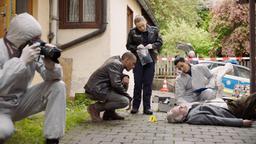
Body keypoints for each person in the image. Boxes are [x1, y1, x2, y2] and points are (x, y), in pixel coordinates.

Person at [0, 13, 66, 144]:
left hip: (19, 102)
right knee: (3, 131)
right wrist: (21, 62)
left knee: (58, 86)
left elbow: (53, 78)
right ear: (20, 37)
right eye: (34, 39)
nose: (36, 43)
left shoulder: (29, 49)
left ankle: (52, 139)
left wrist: (51, 66)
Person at [84, 52, 136, 122]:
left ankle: (109, 113)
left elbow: (115, 74)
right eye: (133, 63)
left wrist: (125, 76)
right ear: (126, 60)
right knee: (124, 101)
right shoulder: (116, 64)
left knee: (124, 84)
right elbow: (116, 84)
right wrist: (128, 97)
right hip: (97, 90)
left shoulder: (115, 60)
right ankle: (94, 108)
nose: (133, 67)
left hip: (99, 88)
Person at [126, 15, 163, 115]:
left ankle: (147, 108)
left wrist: (152, 45)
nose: (142, 28)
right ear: (136, 26)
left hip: (150, 60)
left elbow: (160, 42)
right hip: (137, 60)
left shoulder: (154, 30)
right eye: (139, 27)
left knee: (148, 84)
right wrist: (136, 47)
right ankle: (135, 107)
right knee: (138, 84)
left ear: (145, 22)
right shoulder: (132, 32)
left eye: (143, 25)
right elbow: (128, 45)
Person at [166, 94, 256, 127]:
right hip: (233, 109)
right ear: (181, 118)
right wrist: (241, 122)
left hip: (228, 104)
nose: (181, 106)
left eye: (179, 106)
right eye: (179, 109)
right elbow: (217, 120)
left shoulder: (191, 110)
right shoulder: (194, 117)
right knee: (252, 97)